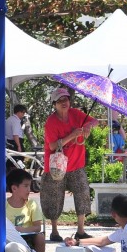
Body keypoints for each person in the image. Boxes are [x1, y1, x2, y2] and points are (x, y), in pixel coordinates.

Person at [41, 88, 98, 242]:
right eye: (59, 100)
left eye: (65, 99)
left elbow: (95, 121)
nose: (63, 102)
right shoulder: (51, 122)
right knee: (54, 196)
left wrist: (88, 127)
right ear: (54, 104)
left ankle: (81, 230)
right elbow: (52, 146)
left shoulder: (76, 113)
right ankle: (54, 231)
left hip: (76, 163)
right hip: (56, 166)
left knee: (82, 192)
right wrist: (72, 135)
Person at [6, 169, 45, 252]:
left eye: (30, 186)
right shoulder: (4, 205)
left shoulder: (31, 204)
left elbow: (37, 227)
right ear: (14, 188)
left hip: (28, 239)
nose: (29, 189)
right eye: (26, 186)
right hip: (9, 240)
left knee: (40, 237)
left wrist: (22, 230)